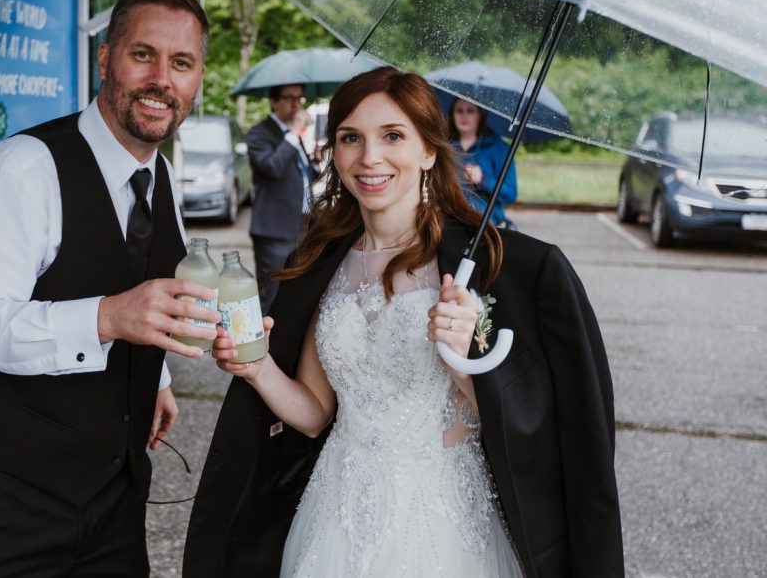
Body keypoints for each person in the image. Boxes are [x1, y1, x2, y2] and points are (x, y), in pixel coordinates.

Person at [184, 67, 623, 577]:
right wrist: (256, 367)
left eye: (393, 136)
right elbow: (314, 413)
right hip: (335, 514)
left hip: (440, 522)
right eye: (351, 138)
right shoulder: (323, 262)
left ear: (429, 151)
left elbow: (530, 425)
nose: (370, 158)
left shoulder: (495, 266)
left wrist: (466, 360)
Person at [0, 0, 219, 577]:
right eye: (144, 55)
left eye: (182, 63)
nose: (162, 79)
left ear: (197, 80)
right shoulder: (25, 168)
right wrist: (107, 317)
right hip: (5, 506)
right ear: (106, 58)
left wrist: (156, 377)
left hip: (115, 501)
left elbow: (141, 277)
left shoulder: (160, 176)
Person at [247, 83, 320, 311]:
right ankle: (263, 344)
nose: (295, 104)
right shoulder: (259, 133)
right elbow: (272, 168)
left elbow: (302, 174)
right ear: (273, 102)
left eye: (299, 98)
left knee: (296, 290)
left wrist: (316, 162)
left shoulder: (292, 135)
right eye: (289, 98)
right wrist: (293, 133)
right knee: (272, 293)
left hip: (304, 225)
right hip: (275, 230)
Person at [448, 97, 518, 229]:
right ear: (452, 115)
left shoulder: (499, 149)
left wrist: (483, 179)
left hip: (487, 225)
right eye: (459, 111)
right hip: (451, 223)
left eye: (470, 111)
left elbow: (510, 194)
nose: (464, 115)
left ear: (480, 115)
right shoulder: (445, 148)